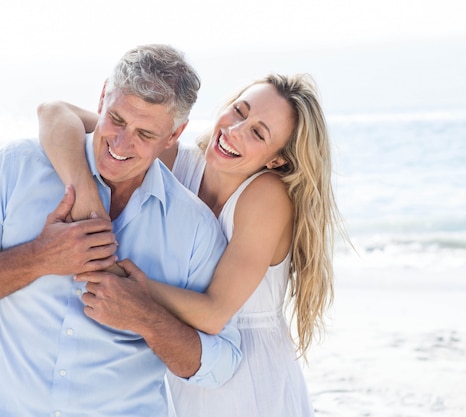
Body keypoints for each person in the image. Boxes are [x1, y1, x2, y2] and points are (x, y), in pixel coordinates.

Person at [0, 44, 242, 417]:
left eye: (145, 133)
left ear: (174, 135)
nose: (122, 144)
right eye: (117, 120)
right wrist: (37, 258)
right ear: (102, 97)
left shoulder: (194, 229)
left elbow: (221, 364)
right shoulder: (17, 170)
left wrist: (145, 316)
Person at [37, 73, 343, 416]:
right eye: (239, 111)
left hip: (249, 378)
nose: (235, 130)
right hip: (184, 363)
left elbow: (213, 314)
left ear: (277, 159)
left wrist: (123, 281)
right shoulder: (177, 164)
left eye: (258, 132)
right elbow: (54, 112)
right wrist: (87, 201)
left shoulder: (267, 196)